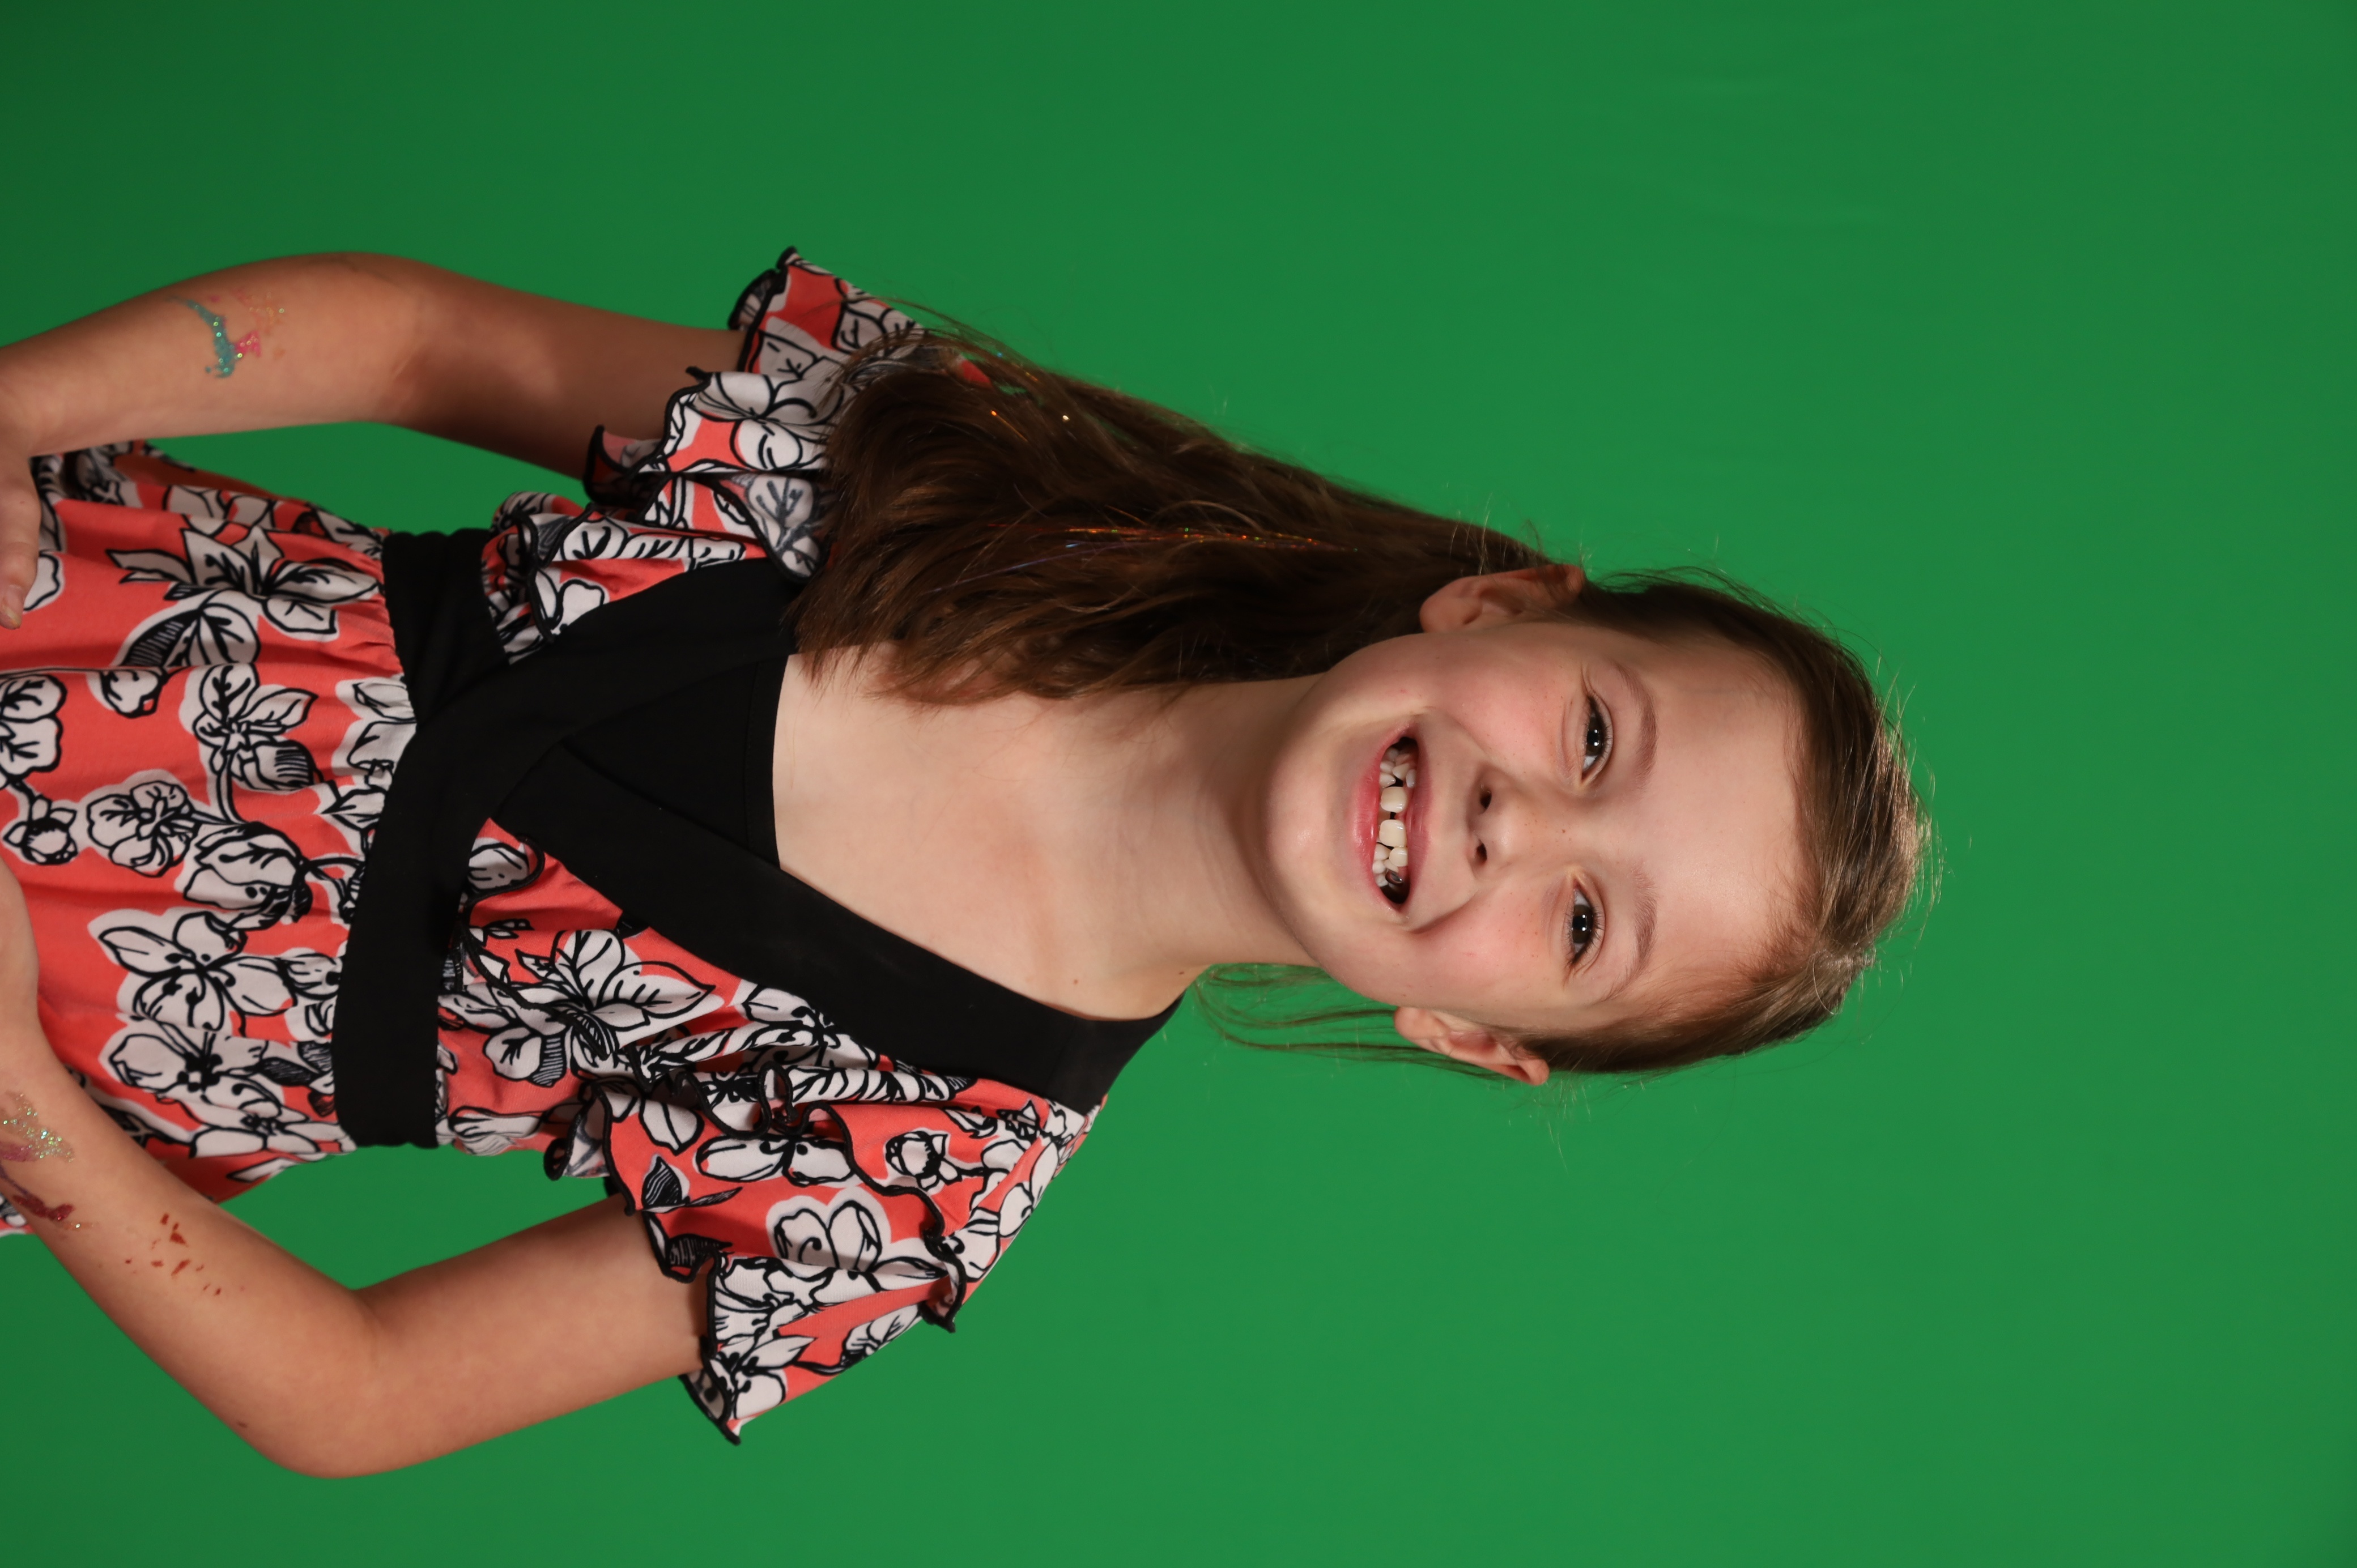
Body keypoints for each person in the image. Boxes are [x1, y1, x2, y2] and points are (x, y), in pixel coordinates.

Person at [0, 249, 1925, 1475]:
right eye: (1594, 737)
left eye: (1585, 923)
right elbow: (427, 339)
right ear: (1499, 606)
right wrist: (14, 411)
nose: (1520, 823)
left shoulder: (916, 1174)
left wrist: (19, 1088)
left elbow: (363, 1393)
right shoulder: (966, 478)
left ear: (1477, 1035)